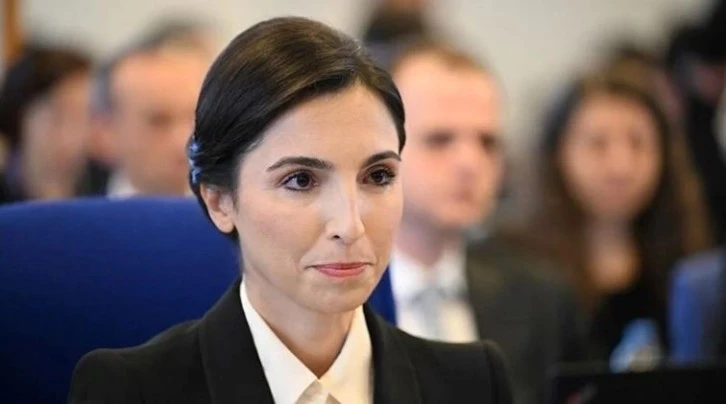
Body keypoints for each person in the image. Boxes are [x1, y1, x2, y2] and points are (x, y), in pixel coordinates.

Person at [68, 17, 513, 404]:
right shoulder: (132, 390)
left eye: (378, 176)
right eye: (300, 180)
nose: (350, 225)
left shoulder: (472, 382)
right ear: (219, 200)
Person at [368, 39, 585, 404]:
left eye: (488, 142)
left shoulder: (541, 300)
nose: (470, 162)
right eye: (440, 139)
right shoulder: (332, 301)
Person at [517, 74, 712, 365]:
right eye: (598, 144)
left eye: (638, 143)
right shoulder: (516, 268)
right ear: (557, 154)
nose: (620, 167)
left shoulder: (692, 266)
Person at [88, 22, 211, 197]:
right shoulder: (71, 212)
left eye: (197, 118)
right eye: (158, 122)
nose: (184, 141)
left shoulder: (238, 212)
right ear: (104, 132)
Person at [0, 44, 92, 203]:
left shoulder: (108, 191)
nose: (72, 138)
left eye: (84, 117)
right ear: (20, 117)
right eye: (58, 118)